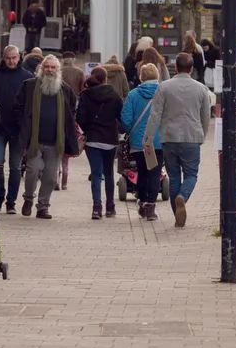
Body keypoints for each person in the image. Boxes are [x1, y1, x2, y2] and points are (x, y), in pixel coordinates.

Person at [143, 51, 211, 228]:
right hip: (191, 137)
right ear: (192, 68)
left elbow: (155, 114)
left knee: (173, 177)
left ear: (175, 68)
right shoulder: (201, 88)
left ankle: (176, 214)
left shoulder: (164, 87)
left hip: (169, 138)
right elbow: (206, 115)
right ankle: (183, 197)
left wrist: (148, 137)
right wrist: (202, 134)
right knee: (191, 174)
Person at [13, 53, 78, 219]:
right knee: (32, 171)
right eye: (46, 67)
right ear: (41, 69)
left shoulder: (65, 90)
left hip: (55, 143)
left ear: (58, 70)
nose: (49, 70)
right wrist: (23, 127)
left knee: (50, 177)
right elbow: (18, 108)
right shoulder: (29, 86)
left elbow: (71, 113)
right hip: (34, 141)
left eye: (53, 67)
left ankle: (43, 207)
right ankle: (28, 198)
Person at [0, 45, 32, 213]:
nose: (11, 61)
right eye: (8, 58)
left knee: (15, 167)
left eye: (14, 58)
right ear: (3, 58)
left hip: (18, 129)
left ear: (19, 57)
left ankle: (11, 202)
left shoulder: (27, 77)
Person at [76, 66, 123, 219]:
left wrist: (88, 129)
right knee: (109, 173)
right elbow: (121, 117)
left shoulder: (85, 95)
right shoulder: (114, 95)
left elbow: (80, 117)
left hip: (93, 140)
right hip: (110, 139)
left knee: (96, 174)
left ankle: (97, 208)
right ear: (105, 79)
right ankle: (110, 207)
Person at [121, 63, 162, 221]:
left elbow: (126, 119)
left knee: (143, 172)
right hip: (157, 141)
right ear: (157, 76)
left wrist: (132, 131)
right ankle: (150, 207)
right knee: (154, 173)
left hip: (139, 142)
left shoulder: (132, 95)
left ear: (141, 77)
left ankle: (143, 202)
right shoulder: (163, 93)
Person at [58, 52, 85, 190]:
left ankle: (56, 179)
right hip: (74, 103)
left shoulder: (59, 71)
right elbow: (82, 89)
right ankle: (64, 182)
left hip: (59, 103)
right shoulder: (79, 72)